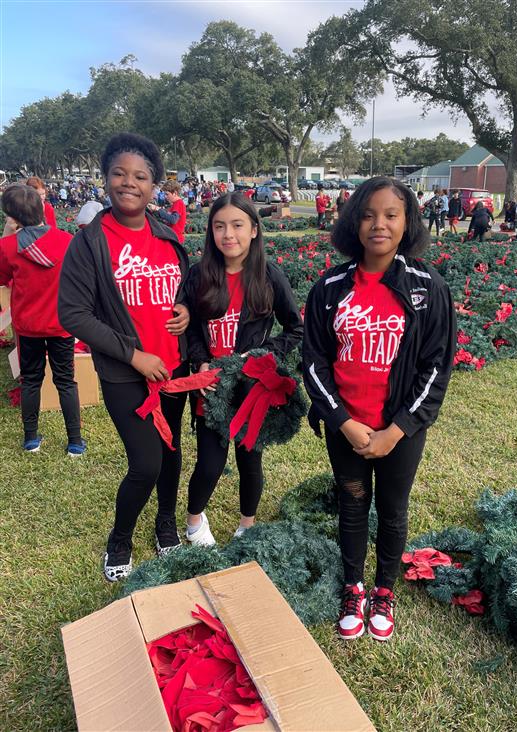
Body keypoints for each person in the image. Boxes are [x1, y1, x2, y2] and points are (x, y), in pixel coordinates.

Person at [302, 177, 456, 642]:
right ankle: (353, 587)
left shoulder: (427, 288)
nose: (379, 224)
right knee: (352, 506)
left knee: (392, 509)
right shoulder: (329, 288)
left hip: (399, 432)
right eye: (368, 214)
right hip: (346, 426)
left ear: (407, 221)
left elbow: (436, 367)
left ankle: (384, 590)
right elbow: (313, 362)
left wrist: (398, 429)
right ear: (354, 222)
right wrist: (344, 422)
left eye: (391, 214)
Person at [58, 132, 191, 582]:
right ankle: (120, 537)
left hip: (173, 368)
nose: (128, 182)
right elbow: (72, 313)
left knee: (171, 451)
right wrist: (135, 356)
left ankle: (166, 523)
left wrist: (186, 309)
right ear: (105, 179)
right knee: (146, 462)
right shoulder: (90, 243)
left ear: (155, 184)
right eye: (119, 173)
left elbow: (183, 287)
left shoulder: (166, 234)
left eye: (140, 176)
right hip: (125, 372)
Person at [183, 192, 303, 545]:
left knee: (250, 460)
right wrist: (200, 360)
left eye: (237, 225)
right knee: (209, 463)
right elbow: (189, 326)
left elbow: (295, 327)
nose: (228, 234)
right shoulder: (199, 275)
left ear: (254, 230)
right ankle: (193, 523)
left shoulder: (268, 277)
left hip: (251, 391)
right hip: (212, 387)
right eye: (219, 226)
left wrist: (260, 357)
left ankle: (246, 525)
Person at [0, 184, 83, 454]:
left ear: (12, 217)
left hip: (27, 327)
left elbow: (2, 279)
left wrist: (7, 234)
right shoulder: (66, 240)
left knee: (31, 381)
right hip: (61, 325)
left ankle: (31, 439)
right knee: (66, 381)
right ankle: (74, 442)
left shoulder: (8, 247)